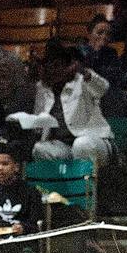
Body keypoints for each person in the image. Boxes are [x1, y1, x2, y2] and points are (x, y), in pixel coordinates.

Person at [29, 40, 115, 172]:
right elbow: (38, 125)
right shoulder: (42, 87)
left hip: (94, 141)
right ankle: (59, 191)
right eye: (49, 65)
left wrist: (84, 72)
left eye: (58, 65)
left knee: (81, 145)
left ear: (67, 65)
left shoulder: (82, 79)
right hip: (63, 147)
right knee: (40, 149)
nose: (54, 69)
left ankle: (87, 191)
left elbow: (103, 88)